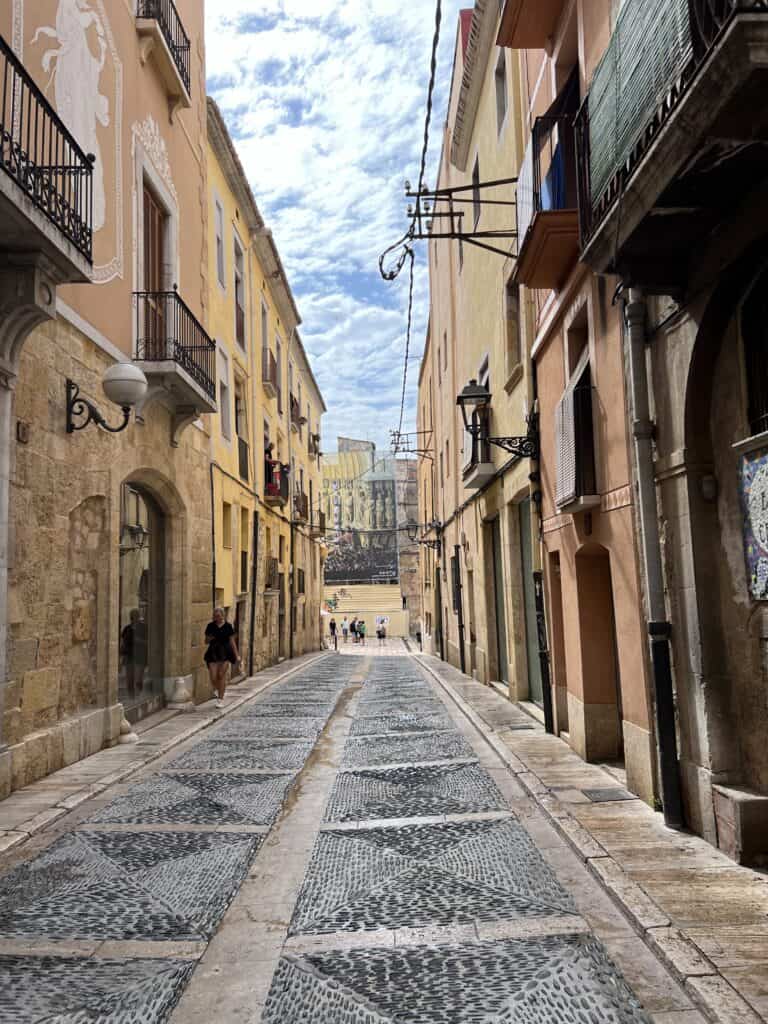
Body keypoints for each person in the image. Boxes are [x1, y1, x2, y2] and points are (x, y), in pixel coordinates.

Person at [204, 607, 240, 709]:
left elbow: (232, 641)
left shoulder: (228, 626)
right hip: (213, 652)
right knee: (213, 676)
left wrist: (236, 655)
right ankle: (217, 689)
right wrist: (209, 638)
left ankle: (220, 699)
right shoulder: (210, 626)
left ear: (223, 615)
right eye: (215, 616)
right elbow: (206, 641)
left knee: (221, 675)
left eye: (219, 616)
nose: (217, 618)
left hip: (225, 653)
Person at [120, 609, 147, 699]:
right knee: (129, 680)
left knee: (138, 680)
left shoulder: (143, 628)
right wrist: (122, 657)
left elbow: (149, 642)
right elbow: (123, 642)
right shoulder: (127, 628)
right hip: (129, 657)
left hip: (140, 657)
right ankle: (131, 698)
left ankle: (138, 697)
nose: (134, 617)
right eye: (132, 615)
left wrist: (140, 641)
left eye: (136, 615)